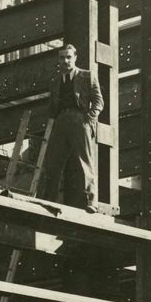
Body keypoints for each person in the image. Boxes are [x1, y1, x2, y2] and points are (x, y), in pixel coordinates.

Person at [39, 43, 103, 210]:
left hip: (79, 119)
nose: (65, 61)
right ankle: (48, 199)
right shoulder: (55, 82)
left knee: (84, 161)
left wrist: (89, 118)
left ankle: (91, 201)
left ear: (75, 58)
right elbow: (52, 107)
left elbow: (98, 101)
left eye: (68, 57)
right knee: (53, 162)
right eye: (62, 58)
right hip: (60, 121)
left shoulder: (87, 76)